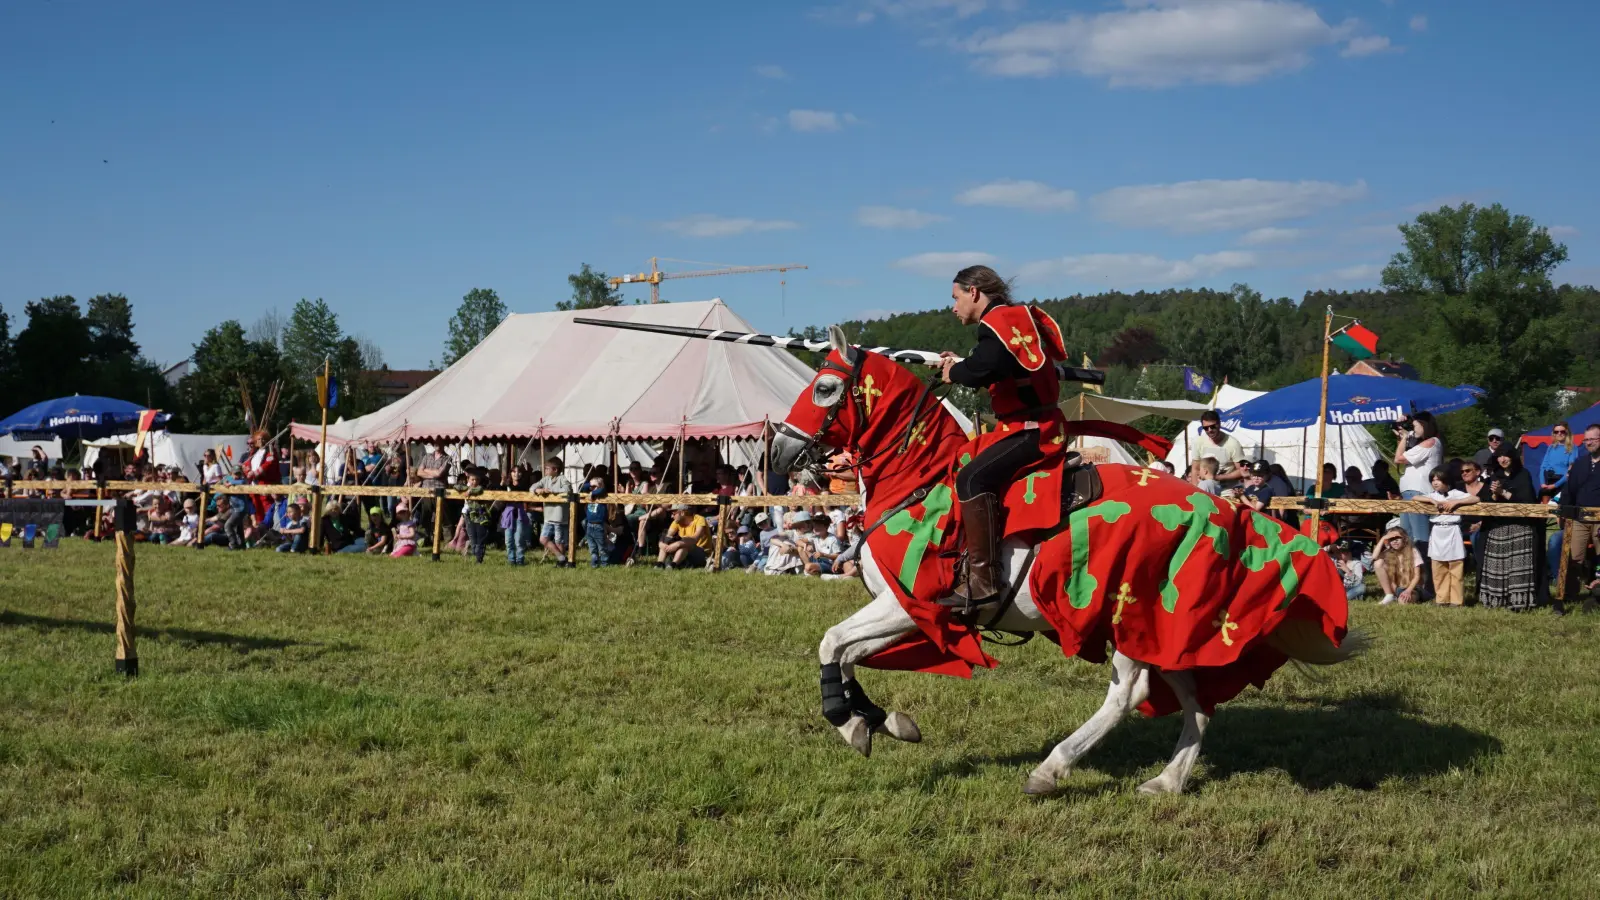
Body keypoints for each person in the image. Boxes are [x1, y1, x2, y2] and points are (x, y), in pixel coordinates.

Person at [935, 264, 1068, 608]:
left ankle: (983, 582)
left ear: (974, 292)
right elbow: (998, 362)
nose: (953, 307)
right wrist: (964, 363)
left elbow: (987, 367)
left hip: (1031, 429)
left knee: (971, 479)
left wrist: (956, 372)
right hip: (1030, 425)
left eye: (956, 297)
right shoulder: (1009, 320)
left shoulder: (995, 323)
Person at [1479, 443, 1541, 611]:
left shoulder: (1523, 474)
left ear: (1513, 457)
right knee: (1497, 565)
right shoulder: (1494, 476)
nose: (1502, 459)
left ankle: (1518, 602)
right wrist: (1493, 493)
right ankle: (1495, 599)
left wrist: (1504, 493)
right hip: (1498, 525)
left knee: (1517, 567)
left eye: (1506, 455)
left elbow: (1527, 501)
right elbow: (1487, 501)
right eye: (1499, 456)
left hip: (1520, 526)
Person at [1394, 411, 1443, 600]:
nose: (1413, 430)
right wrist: (1405, 438)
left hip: (1418, 494)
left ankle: (1428, 585)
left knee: (1421, 542)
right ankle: (1411, 583)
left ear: (1425, 425)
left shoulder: (1430, 442)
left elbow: (1398, 458)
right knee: (1406, 541)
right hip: (1409, 493)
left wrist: (1404, 439)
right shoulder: (1423, 443)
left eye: (1415, 426)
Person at [1558, 423, 1600, 614]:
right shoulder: (1580, 463)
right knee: (1574, 558)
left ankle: (1597, 595)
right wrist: (1564, 513)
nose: (1588, 443)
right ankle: (1570, 594)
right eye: (1586, 440)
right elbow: (1569, 491)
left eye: (1592, 439)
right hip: (1580, 517)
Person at [1426, 467, 1475, 607]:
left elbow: (1475, 498)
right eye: (1433, 480)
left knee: (1455, 568)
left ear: (1447, 481)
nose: (1435, 483)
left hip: (1452, 530)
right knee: (1438, 568)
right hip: (1437, 531)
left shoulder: (1456, 493)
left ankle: (1456, 600)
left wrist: (1456, 502)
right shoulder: (1432, 495)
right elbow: (1415, 497)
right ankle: (1442, 599)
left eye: (1438, 480)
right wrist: (1431, 501)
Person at [1191, 410, 1250, 487]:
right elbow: (1195, 469)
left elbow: (1241, 470)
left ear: (1219, 424)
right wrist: (1195, 488)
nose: (1209, 430)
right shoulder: (1198, 441)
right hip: (1205, 488)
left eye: (1212, 426)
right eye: (1206, 428)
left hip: (1226, 490)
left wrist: (1219, 477)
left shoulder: (1232, 443)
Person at [532, 456, 572, 567]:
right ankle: (562, 558)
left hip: (559, 516)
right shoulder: (545, 479)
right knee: (543, 539)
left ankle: (561, 562)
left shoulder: (562, 479)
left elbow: (567, 490)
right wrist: (537, 490)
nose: (545, 470)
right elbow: (533, 487)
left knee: (559, 541)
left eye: (547, 468)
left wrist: (551, 491)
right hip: (548, 516)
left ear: (555, 469)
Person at [1373, 525, 1423, 605]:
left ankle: (1403, 597)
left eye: (1397, 538)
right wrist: (1383, 538)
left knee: (1403, 602)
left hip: (1412, 588)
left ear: (1404, 539)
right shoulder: (1389, 552)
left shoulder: (1413, 551)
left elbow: (1417, 576)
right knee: (1378, 563)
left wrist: (1408, 591)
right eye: (1391, 539)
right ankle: (1389, 595)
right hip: (1396, 587)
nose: (1395, 541)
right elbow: (1374, 557)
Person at [658, 504, 712, 570]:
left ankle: (673, 565)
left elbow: (694, 539)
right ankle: (659, 565)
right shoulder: (676, 521)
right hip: (684, 552)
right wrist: (661, 544)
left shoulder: (700, 519)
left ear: (682, 513)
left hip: (702, 552)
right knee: (665, 544)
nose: (672, 516)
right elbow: (667, 537)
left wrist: (678, 544)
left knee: (684, 546)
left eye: (674, 513)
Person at [1539, 422, 1579, 502]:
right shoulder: (1551, 447)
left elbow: (1570, 472)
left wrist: (1555, 485)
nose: (1559, 433)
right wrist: (1542, 483)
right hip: (1547, 483)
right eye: (1556, 432)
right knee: (1544, 510)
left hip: (1562, 485)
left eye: (1562, 431)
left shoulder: (1573, 448)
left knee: (1556, 510)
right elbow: (1543, 466)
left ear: (1567, 432)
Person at [462, 471, 491, 563]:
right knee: (472, 536)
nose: (474, 481)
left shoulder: (480, 488)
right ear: (468, 480)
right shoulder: (465, 488)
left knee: (480, 537)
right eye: (472, 479)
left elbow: (478, 490)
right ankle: (475, 552)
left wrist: (470, 491)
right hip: (468, 514)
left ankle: (479, 559)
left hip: (480, 514)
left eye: (477, 479)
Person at [583, 475, 611, 567]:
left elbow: (602, 490)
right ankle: (594, 561)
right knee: (592, 546)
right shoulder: (590, 492)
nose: (592, 488)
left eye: (594, 487)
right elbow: (583, 487)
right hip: (589, 525)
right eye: (591, 487)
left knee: (601, 546)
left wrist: (594, 492)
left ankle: (604, 563)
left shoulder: (602, 494)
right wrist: (591, 485)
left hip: (599, 525)